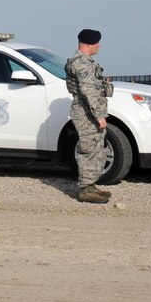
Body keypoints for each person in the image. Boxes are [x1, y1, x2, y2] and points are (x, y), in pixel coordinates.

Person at [65, 29, 114, 204]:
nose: (99, 45)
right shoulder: (81, 63)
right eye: (96, 42)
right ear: (87, 44)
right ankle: (85, 189)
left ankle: (91, 184)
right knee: (88, 149)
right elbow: (88, 92)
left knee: (96, 148)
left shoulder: (87, 62)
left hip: (90, 113)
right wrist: (99, 116)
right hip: (86, 114)